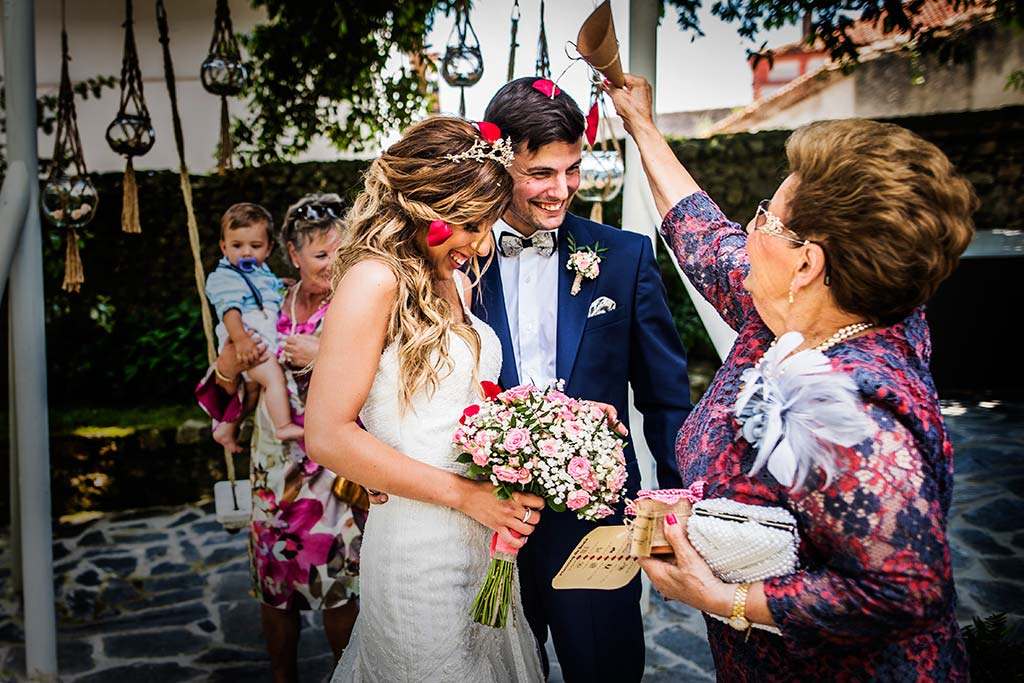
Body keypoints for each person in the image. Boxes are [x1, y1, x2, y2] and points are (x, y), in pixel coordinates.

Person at [608, 74, 975, 680]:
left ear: (808, 262)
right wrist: (640, 125)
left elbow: (904, 588)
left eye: (763, 217)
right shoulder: (796, 311)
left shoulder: (849, 402)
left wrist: (722, 600)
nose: (746, 230)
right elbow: (700, 233)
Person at [305, 117, 546, 682]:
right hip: (418, 549)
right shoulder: (372, 280)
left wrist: (543, 432)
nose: (482, 243)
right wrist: (466, 497)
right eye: (470, 224)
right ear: (424, 208)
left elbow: (452, 404)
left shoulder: (453, 280)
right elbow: (327, 433)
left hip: (481, 541)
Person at [472, 77, 692, 682]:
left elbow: (666, 397)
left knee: (606, 670)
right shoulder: (455, 261)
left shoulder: (624, 257)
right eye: (541, 172)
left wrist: (675, 514)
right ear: (499, 163)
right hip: (482, 518)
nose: (562, 189)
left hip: (599, 524)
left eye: (572, 169)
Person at [197, 194, 363, 683]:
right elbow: (233, 376)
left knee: (338, 585)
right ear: (292, 254)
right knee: (275, 586)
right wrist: (228, 366)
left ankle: (344, 674)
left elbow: (383, 386)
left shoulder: (358, 307)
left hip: (331, 472)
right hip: (273, 471)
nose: (334, 264)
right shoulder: (268, 299)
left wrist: (323, 353)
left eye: (342, 252)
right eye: (322, 254)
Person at [205, 203, 303, 447]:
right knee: (273, 379)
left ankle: (226, 430)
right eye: (237, 246)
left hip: (258, 341)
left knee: (251, 394)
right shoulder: (226, 277)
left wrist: (279, 285)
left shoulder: (260, 273)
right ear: (223, 246)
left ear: (268, 248)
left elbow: (263, 291)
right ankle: (283, 426)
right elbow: (230, 311)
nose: (246, 253)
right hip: (251, 343)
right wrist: (241, 341)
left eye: (255, 246)